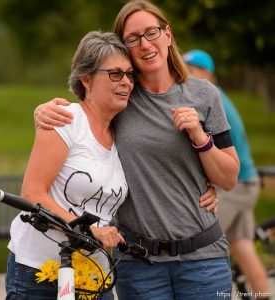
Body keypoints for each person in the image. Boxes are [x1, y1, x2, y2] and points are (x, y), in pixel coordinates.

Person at [34, 1, 240, 299]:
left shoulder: (204, 94)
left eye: (152, 32)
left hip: (203, 260)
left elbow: (230, 178)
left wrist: (200, 138)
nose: (145, 43)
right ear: (125, 48)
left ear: (168, 34)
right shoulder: (121, 96)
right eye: (133, 38)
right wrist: (41, 111)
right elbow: (82, 114)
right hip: (140, 263)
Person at [6, 31, 136, 300]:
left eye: (129, 74)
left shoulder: (123, 136)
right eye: (115, 74)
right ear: (86, 79)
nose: (126, 82)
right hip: (38, 272)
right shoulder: (65, 120)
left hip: (93, 275)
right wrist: (90, 230)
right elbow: (32, 193)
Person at [184, 49, 270, 299]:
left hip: (235, 183)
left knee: (204, 247)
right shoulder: (217, 96)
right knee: (242, 246)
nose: (187, 74)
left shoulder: (207, 98)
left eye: (193, 69)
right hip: (248, 181)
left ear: (207, 72)